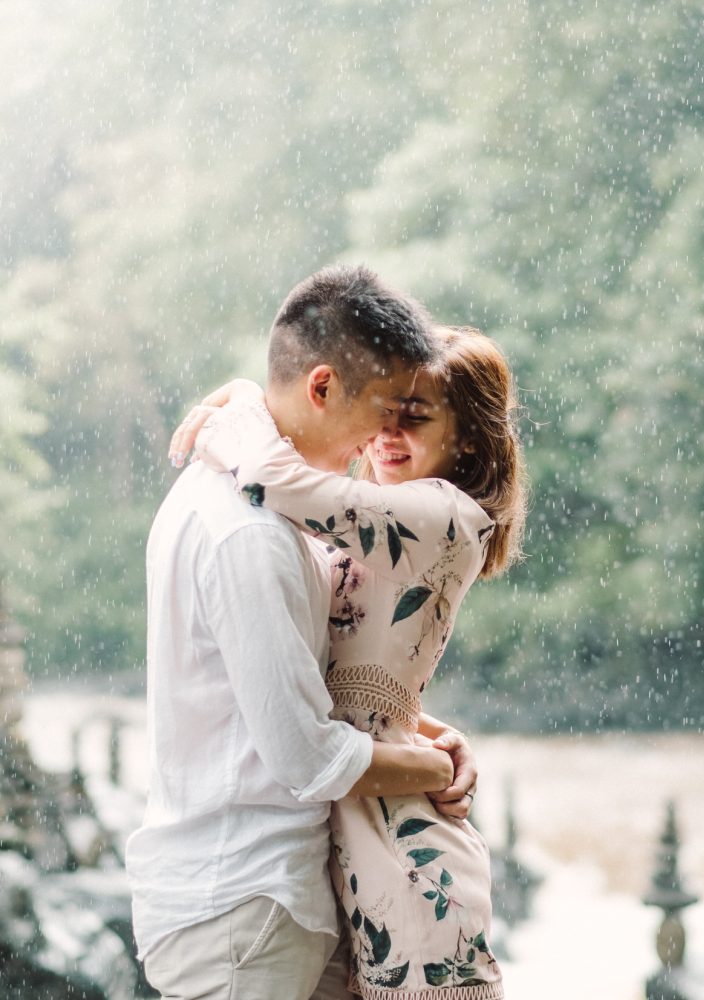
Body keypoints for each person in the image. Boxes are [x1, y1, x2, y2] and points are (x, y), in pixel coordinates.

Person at [126, 266, 477, 1000]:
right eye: (382, 411)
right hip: (242, 907)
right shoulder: (249, 532)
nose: (382, 439)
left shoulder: (260, 509)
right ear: (321, 388)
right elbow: (308, 756)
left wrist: (430, 735)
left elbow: (310, 685)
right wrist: (434, 772)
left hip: (262, 900)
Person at [178, 324, 527, 999]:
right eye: (382, 413)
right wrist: (434, 736)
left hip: (407, 864)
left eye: (415, 419)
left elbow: (273, 478)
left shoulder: (447, 517)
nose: (387, 434)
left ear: (467, 437)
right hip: (345, 848)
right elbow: (347, 679)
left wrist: (250, 401)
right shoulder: (372, 518)